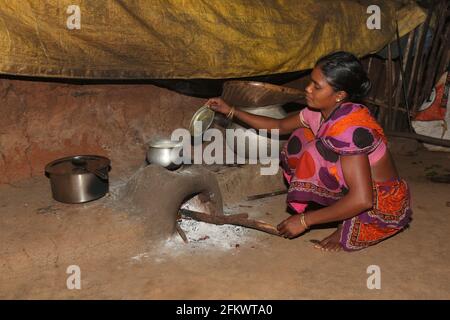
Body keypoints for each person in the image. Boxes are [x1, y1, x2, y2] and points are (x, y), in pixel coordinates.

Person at [206, 51, 412, 252]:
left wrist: (305, 221)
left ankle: (345, 223)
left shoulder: (350, 130)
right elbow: (279, 126)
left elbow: (363, 199)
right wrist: (231, 110)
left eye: (317, 86)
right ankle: (335, 208)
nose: (308, 89)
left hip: (380, 203)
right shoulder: (319, 113)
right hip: (360, 189)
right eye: (310, 81)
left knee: (315, 151)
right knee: (300, 140)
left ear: (339, 96)